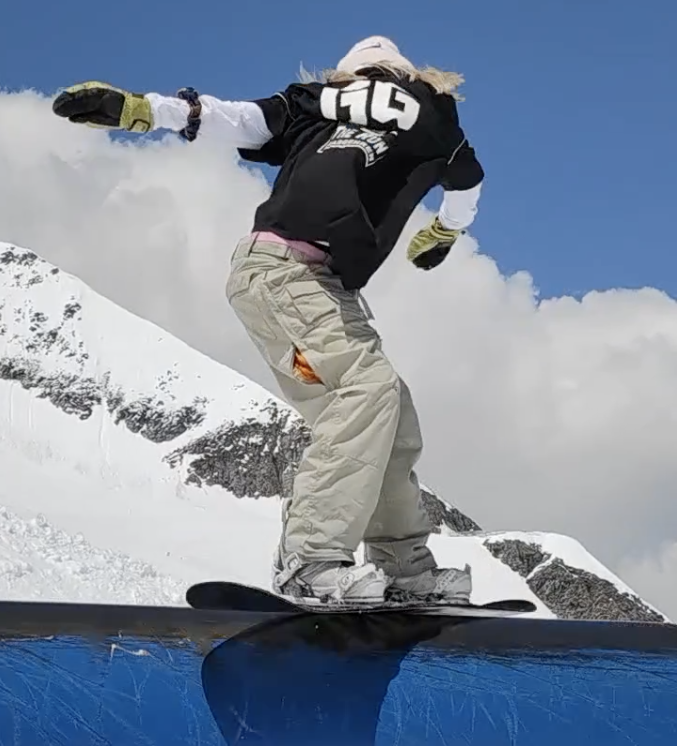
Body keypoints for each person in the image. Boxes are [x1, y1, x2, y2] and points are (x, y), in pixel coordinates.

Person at [52, 35, 484, 606]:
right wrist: (447, 231)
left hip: (296, 279)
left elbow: (236, 119)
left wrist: (143, 109)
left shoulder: (314, 102)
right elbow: (468, 182)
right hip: (285, 274)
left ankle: (404, 571)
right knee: (368, 389)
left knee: (390, 414)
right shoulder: (431, 116)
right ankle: (311, 559)